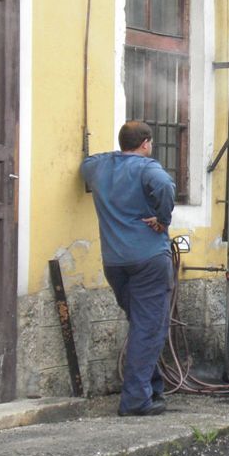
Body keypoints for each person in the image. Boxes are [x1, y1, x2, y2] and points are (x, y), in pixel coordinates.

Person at [81, 121, 175, 416]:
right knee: (149, 328)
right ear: (145, 143)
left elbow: (86, 164)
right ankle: (136, 399)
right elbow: (165, 186)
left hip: (115, 262)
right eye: (150, 143)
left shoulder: (99, 167)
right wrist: (163, 220)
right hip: (148, 260)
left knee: (142, 325)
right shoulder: (148, 169)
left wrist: (116, 156)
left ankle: (151, 387)